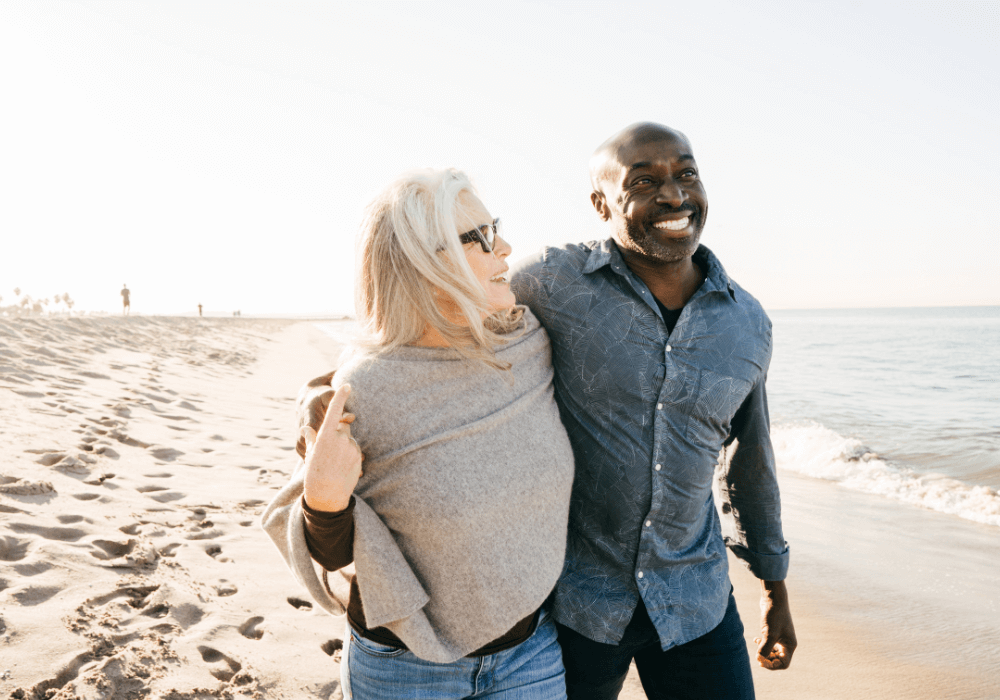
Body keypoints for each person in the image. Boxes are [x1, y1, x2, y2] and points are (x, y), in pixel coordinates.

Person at [297, 123, 797, 699]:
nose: (674, 195)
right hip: (577, 607)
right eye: (643, 181)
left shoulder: (746, 323)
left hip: (695, 600)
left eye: (686, 173)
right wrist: (331, 393)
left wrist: (773, 582)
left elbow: (751, 459)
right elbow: (417, 323)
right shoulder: (549, 285)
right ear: (600, 204)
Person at [263, 169, 575, 699]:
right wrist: (324, 498)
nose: (504, 247)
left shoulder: (528, 345)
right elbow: (335, 557)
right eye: (477, 238)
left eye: (492, 226)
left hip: (531, 651)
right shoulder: (364, 390)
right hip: (404, 668)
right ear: (425, 266)